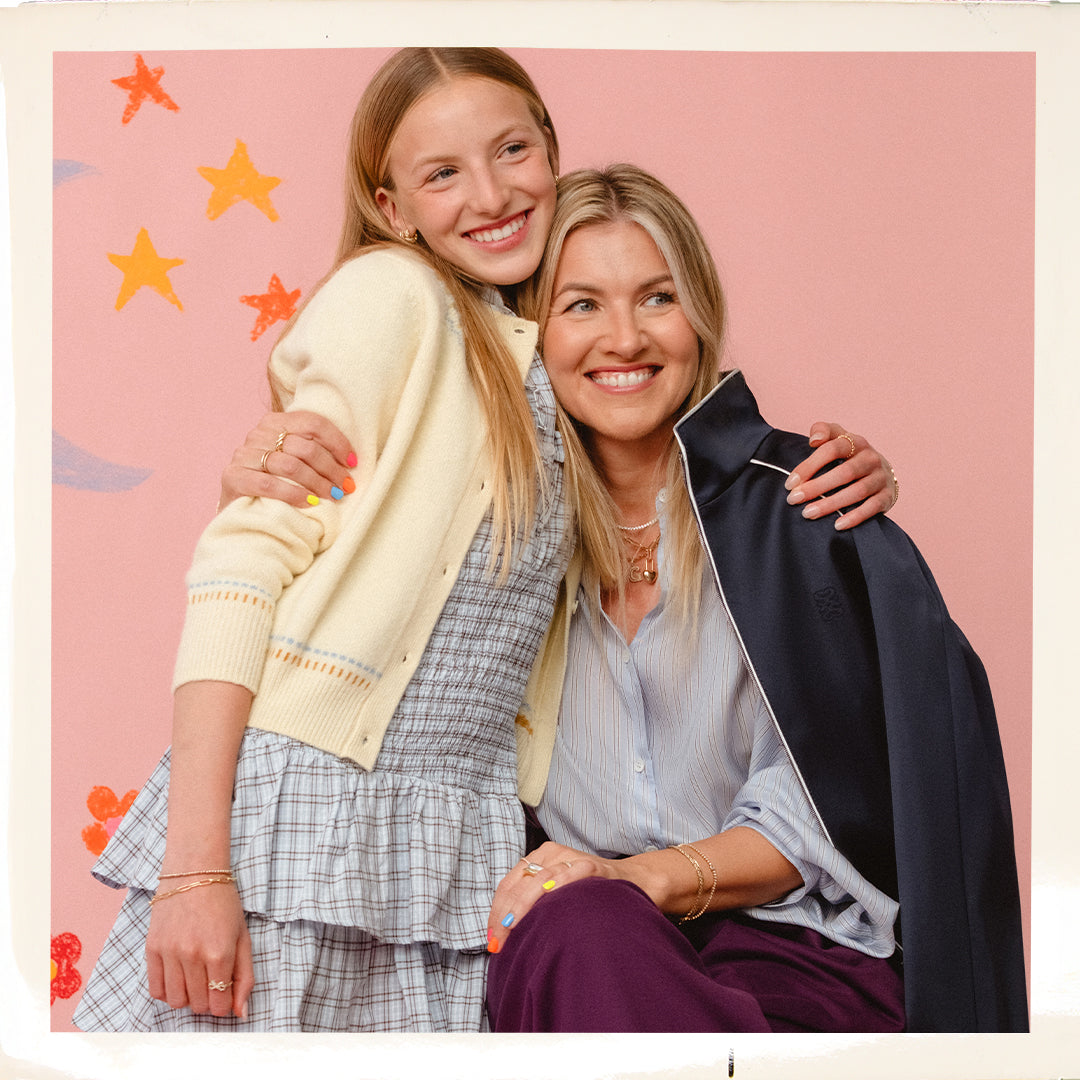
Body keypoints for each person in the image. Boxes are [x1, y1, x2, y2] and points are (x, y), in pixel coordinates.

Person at [73, 45, 571, 1034]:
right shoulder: (395, 297)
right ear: (394, 210)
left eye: (512, 149)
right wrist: (195, 872)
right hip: (304, 814)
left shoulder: (555, 351)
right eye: (442, 173)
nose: (490, 193)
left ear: (553, 152)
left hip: (454, 840)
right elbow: (243, 565)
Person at [478, 165, 1027, 1032]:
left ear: (699, 318)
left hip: (797, 953)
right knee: (584, 930)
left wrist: (642, 877)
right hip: (588, 956)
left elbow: (826, 798)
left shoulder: (803, 514)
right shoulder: (489, 541)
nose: (623, 338)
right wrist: (286, 465)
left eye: (656, 298)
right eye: (581, 305)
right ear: (532, 331)